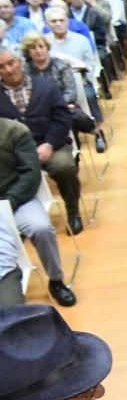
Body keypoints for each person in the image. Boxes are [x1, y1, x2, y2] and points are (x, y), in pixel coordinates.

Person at [0, 46, 82, 235]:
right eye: (2, 66)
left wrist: (50, 144)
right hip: (14, 152)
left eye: (11, 63)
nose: (9, 69)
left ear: (19, 62)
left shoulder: (46, 87)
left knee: (64, 167)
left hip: (49, 143)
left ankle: (72, 210)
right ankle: (17, 220)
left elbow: (63, 119)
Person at [0, 116, 76, 306]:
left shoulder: (14, 131)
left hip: (17, 199)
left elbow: (31, 173)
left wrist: (10, 201)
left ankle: (56, 280)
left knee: (41, 228)